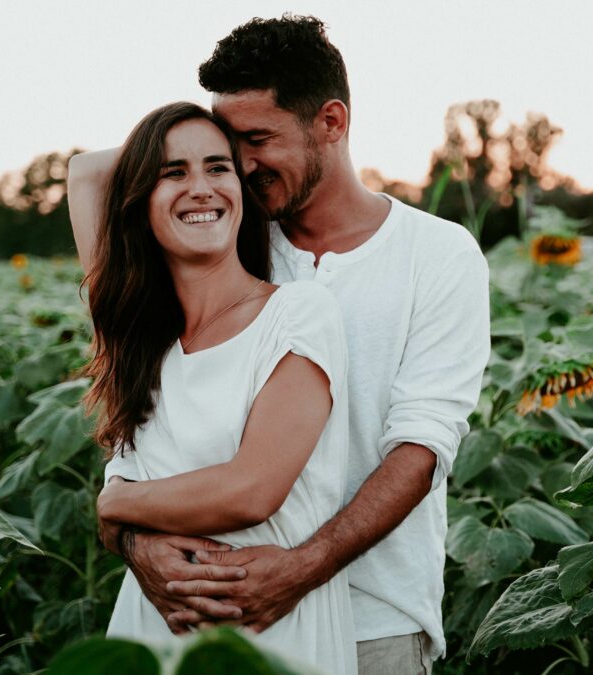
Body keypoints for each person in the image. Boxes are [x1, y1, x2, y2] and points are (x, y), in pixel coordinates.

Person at [68, 15, 490, 674]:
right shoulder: (228, 244)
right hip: (198, 599)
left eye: (256, 139)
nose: (241, 163)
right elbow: (151, 391)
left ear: (331, 122)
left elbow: (421, 444)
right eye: (226, 142)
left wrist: (300, 568)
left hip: (375, 612)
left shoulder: (436, 253)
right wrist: (133, 537)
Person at [71, 101, 357, 674]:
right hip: (153, 622)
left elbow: (252, 489)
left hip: (271, 633)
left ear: (242, 188)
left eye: (218, 168)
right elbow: (85, 172)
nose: (200, 188)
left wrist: (117, 505)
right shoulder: (137, 332)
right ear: (139, 200)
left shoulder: (297, 313)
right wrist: (134, 543)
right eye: (172, 173)